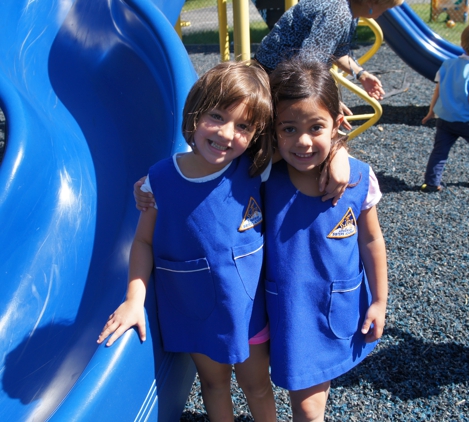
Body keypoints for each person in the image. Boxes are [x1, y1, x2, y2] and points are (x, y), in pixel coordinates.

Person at [97, 61, 277, 422]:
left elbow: (306, 153)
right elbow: (144, 243)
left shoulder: (256, 167)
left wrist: (336, 154)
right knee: (215, 385)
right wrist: (135, 298)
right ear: (194, 115)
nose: (227, 134)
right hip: (198, 311)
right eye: (217, 116)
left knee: (257, 384)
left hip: (249, 308)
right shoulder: (160, 179)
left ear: (256, 133)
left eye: (243, 126)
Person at [265, 59, 388, 421]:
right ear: (272, 130)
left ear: (337, 124)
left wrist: (380, 301)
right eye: (288, 128)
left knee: (309, 405)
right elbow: (210, 167)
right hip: (289, 315)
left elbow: (371, 240)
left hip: (337, 307)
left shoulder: (359, 179)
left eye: (316, 127)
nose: (302, 141)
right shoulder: (262, 175)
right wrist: (151, 186)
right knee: (307, 406)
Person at [254, 0, 404, 102]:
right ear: (371, 2)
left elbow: (338, 53)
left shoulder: (350, 11)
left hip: (289, 73)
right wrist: (327, 101)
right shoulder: (337, 13)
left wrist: (361, 74)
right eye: (386, 6)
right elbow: (308, 65)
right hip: (271, 76)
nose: (386, 11)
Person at [421, 22, 469, 192]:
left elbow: (438, 89)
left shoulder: (448, 64)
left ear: (461, 42)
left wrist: (431, 111)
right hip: (467, 120)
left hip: (444, 118)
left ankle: (431, 183)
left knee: (440, 151)